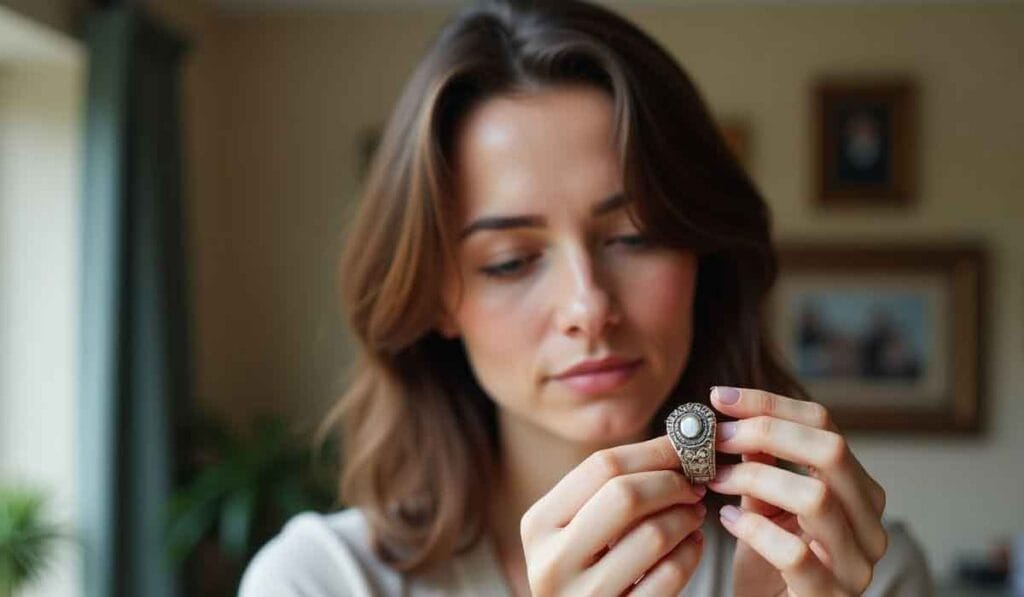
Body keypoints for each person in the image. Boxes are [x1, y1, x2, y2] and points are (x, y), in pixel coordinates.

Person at [240, 1, 933, 594]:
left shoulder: (856, 568)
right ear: (436, 299)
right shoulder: (318, 579)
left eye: (635, 237)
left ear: (703, 251)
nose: (588, 306)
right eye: (510, 261)